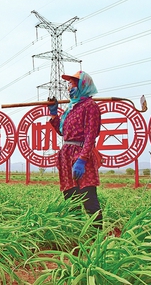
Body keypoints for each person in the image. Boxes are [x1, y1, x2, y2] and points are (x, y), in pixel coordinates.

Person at [48, 70, 103, 228]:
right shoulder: (71, 107)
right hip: (67, 155)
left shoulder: (90, 106)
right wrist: (53, 114)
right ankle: (75, 231)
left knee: (87, 196)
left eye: (72, 84)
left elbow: (90, 135)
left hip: (81, 155)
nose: (69, 87)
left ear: (83, 85)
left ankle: (97, 234)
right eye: (69, 84)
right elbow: (63, 132)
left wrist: (82, 159)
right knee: (71, 197)